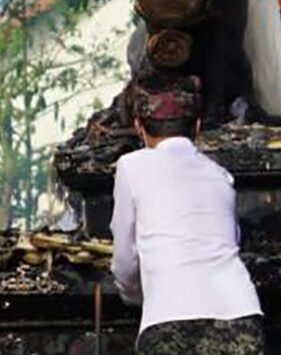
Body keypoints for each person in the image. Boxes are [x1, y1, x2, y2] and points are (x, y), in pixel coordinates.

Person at [110, 75, 264, 354]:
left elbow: (125, 260)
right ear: (197, 127)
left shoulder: (131, 167)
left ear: (139, 127)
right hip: (240, 314)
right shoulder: (220, 176)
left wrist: (133, 295)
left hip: (170, 319)